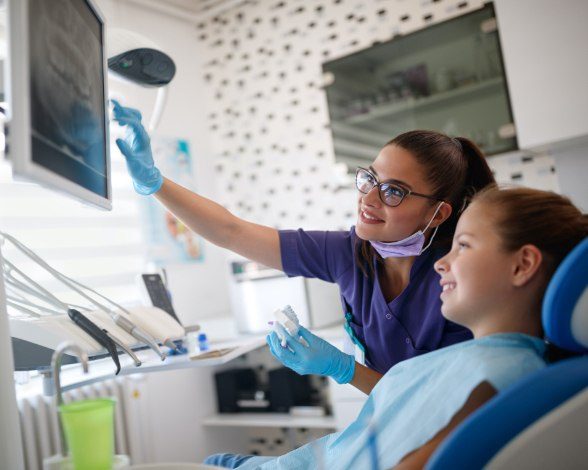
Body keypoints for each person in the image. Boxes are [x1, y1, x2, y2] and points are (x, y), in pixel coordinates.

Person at [112, 101, 495, 394]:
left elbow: (441, 404)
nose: (369, 198)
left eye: (393, 191)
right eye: (371, 178)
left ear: (438, 213)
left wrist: (345, 370)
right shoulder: (351, 253)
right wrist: (155, 183)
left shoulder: (458, 277)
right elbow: (232, 232)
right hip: (397, 427)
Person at [204, 186, 588, 469]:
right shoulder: (483, 359)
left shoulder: (503, 377)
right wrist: (341, 367)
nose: (442, 263)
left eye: (464, 246)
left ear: (522, 265)